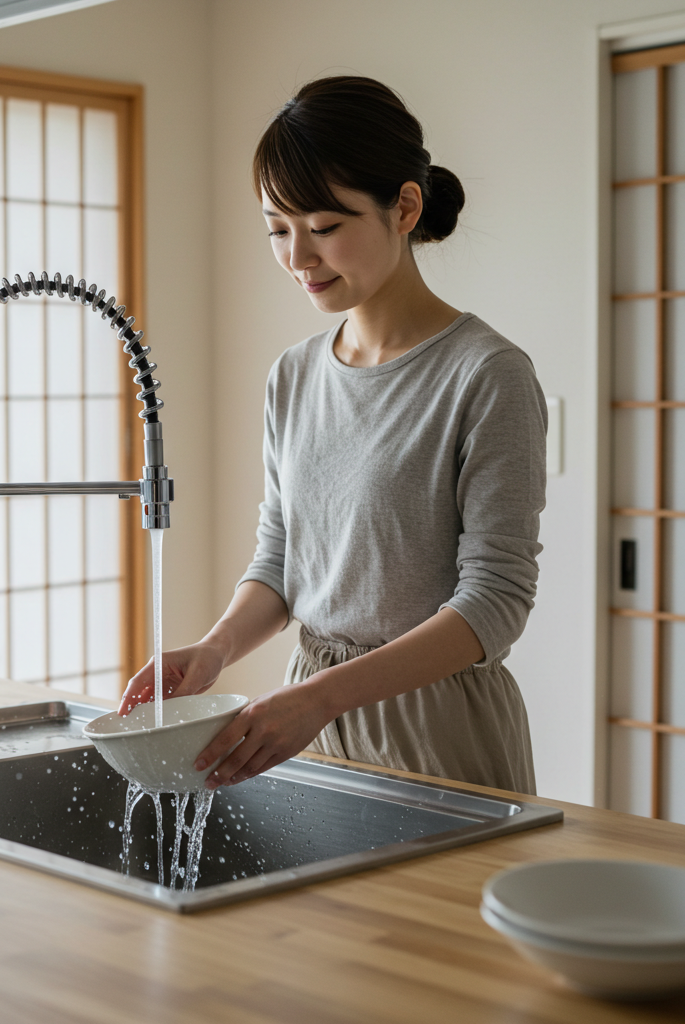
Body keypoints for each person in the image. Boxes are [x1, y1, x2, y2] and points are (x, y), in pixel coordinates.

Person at [119, 76, 546, 795]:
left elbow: (496, 602)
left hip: (435, 729)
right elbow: (283, 558)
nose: (297, 257)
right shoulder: (293, 376)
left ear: (404, 207)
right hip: (313, 726)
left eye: (324, 227)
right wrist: (214, 649)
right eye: (277, 230)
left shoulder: (487, 374)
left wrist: (322, 698)